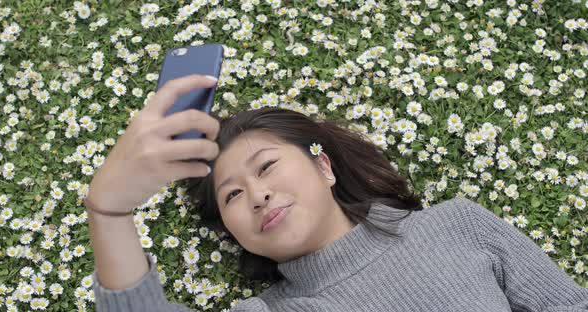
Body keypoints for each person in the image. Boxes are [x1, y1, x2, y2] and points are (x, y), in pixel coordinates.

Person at [86, 74, 588, 311]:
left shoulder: (456, 224)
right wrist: (107, 209)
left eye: (267, 167)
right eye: (232, 195)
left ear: (323, 165)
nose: (258, 195)